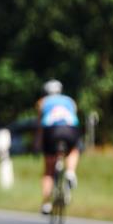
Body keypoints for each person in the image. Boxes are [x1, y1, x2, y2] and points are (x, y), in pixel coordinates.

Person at [33, 79, 81, 215]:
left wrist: (37, 144)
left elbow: (39, 126)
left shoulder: (42, 102)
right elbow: (74, 117)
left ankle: (46, 203)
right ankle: (70, 171)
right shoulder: (70, 101)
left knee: (48, 170)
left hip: (51, 130)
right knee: (73, 149)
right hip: (70, 128)